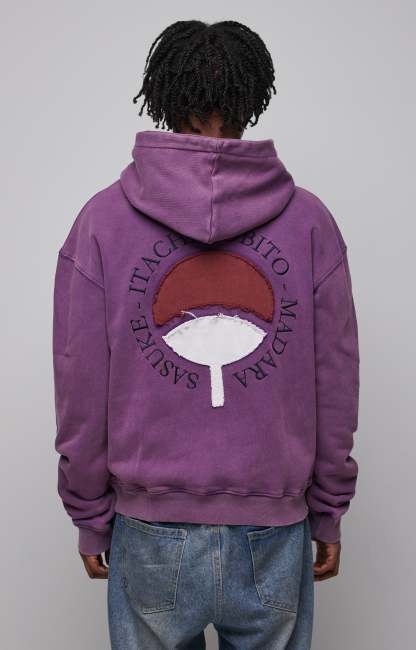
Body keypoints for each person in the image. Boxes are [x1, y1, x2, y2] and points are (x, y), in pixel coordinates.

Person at [52, 19, 360, 650]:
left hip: (149, 529)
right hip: (274, 527)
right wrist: (329, 508)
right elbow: (336, 375)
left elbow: (79, 380)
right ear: (251, 99)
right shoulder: (309, 222)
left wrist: (88, 513)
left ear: (167, 98)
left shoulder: (102, 221)